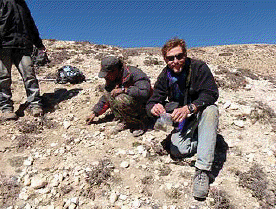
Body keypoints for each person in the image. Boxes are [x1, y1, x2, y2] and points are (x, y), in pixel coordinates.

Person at [146, 38, 219, 200]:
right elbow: (153, 99)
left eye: (179, 56)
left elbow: (212, 93)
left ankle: (202, 170)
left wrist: (190, 108)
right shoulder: (165, 75)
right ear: (165, 60)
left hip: (199, 112)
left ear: (185, 55)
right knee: (178, 151)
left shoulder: (199, 68)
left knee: (211, 109)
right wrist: (153, 107)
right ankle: (208, 141)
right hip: (183, 121)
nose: (175, 61)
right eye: (170, 58)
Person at [0, 0, 46, 120]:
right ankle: (6, 109)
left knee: (29, 75)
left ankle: (35, 105)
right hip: (3, 46)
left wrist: (39, 44)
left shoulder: (22, 4)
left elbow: (31, 25)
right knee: (3, 78)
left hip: (23, 46)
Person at [86, 56, 152, 137]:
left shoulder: (135, 73)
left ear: (115, 70)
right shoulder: (112, 78)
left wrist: (124, 90)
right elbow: (106, 98)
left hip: (145, 106)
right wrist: (95, 113)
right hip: (132, 105)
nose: (106, 77)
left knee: (120, 98)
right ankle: (125, 120)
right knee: (108, 92)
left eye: (107, 74)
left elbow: (145, 92)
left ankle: (139, 124)